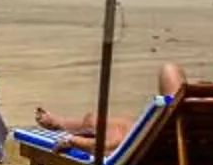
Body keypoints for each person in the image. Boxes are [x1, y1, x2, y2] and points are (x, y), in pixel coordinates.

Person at [38, 62, 188, 153]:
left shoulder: (132, 142)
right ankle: (67, 123)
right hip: (184, 140)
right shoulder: (201, 123)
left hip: (160, 147)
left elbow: (108, 149)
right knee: (122, 123)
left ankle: (65, 124)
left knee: (113, 125)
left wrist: (72, 141)